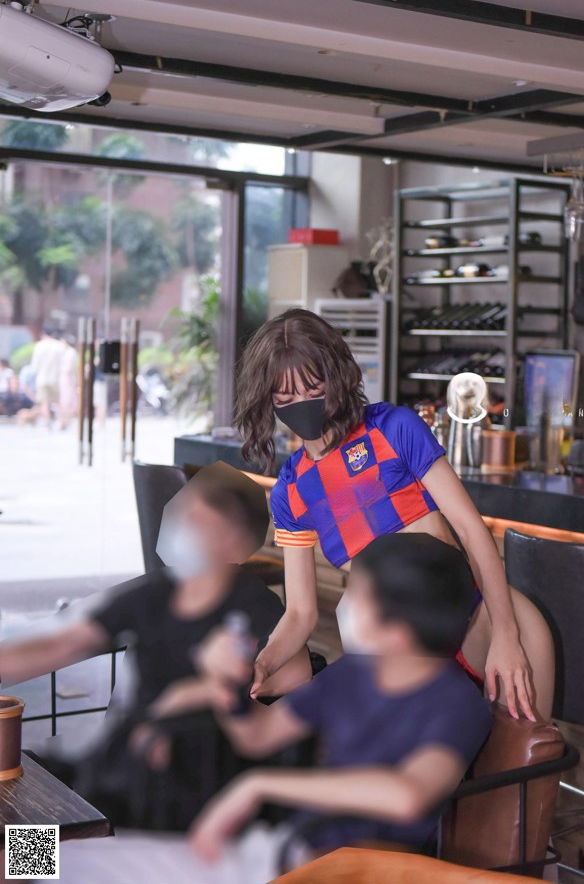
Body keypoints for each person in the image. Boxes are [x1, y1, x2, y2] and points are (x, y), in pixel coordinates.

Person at [53, 532, 494, 884]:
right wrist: (229, 681)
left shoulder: (455, 703)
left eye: (357, 593)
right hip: (274, 852)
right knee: (32, 851)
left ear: (397, 630)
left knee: (55, 863)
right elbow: (258, 734)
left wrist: (260, 786)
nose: (344, 605)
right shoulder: (352, 675)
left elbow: (407, 794)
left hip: (335, 869)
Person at [234, 308, 554, 721]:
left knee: (525, 773)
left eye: (313, 389)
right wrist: (265, 661)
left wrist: (507, 636)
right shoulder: (290, 492)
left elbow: (473, 534)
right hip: (393, 649)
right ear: (268, 401)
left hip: (484, 620)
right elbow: (300, 612)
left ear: (335, 377)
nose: (302, 405)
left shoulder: (393, 429)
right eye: (286, 398)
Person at [0, 462, 311, 832]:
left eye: (197, 522)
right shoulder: (159, 591)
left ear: (232, 539)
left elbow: (298, 674)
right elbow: (68, 641)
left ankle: (51, 863)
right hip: (121, 760)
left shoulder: (251, 606)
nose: (180, 529)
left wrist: (207, 689)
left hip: (178, 781)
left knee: (36, 844)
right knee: (17, 792)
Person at [30, 327, 63, 428]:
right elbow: (63, 363)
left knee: (44, 402)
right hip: (56, 378)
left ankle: (47, 422)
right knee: (57, 402)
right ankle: (60, 421)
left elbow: (34, 365)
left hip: (42, 379)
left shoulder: (39, 346)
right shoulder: (59, 346)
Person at [58, 334, 79, 430]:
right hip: (66, 379)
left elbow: (69, 368)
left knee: (67, 401)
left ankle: (66, 420)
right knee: (66, 401)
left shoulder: (70, 352)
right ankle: (64, 421)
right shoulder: (67, 352)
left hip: (68, 380)